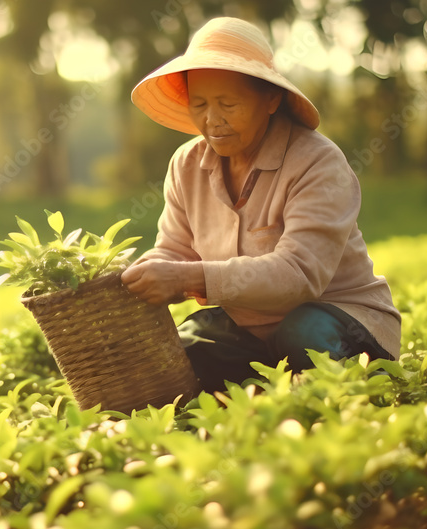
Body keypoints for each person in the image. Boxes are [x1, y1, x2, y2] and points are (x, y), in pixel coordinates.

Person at [120, 17, 401, 393]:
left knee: (304, 333)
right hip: (250, 327)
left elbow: (299, 275)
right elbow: (175, 250)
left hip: (337, 316)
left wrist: (188, 279)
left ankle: (352, 392)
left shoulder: (317, 161)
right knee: (186, 347)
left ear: (271, 98)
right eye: (199, 104)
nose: (212, 120)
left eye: (228, 103)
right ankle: (270, 396)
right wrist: (137, 278)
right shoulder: (186, 164)